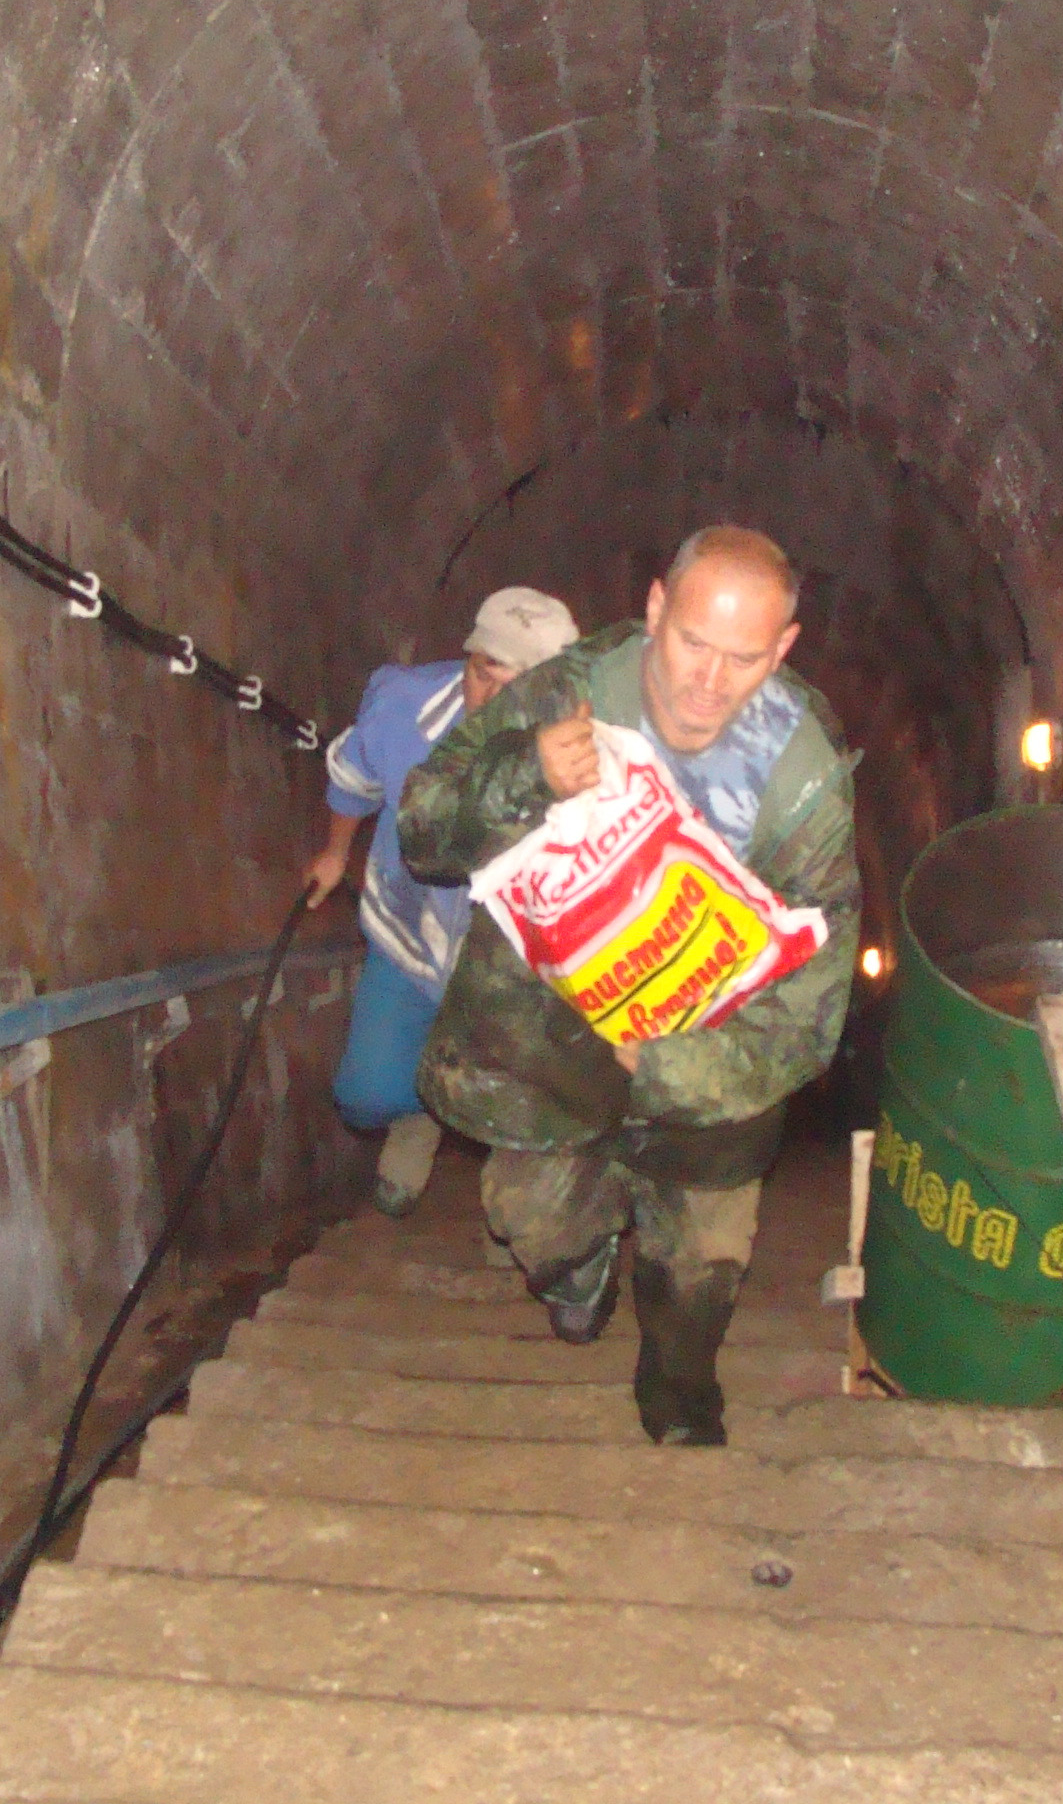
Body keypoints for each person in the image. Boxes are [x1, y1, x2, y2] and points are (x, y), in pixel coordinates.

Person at [397, 527, 860, 1446]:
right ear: (654, 609)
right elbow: (422, 829)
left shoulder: (802, 784)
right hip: (552, 1040)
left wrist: (668, 1065)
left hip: (709, 1065)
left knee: (702, 1261)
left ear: (783, 649)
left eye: (744, 658)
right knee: (528, 1216)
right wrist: (524, 775)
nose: (708, 682)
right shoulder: (568, 691)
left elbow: (814, 1008)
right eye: (692, 642)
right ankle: (582, 1268)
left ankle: (678, 1390)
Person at [311, 586, 581, 1215]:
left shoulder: (587, 750)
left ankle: (515, 1207)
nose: (491, 699)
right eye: (484, 673)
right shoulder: (402, 708)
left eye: (517, 686)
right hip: (409, 934)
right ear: (467, 655)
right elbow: (353, 778)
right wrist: (334, 854)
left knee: (520, 1101)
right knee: (364, 1097)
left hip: (512, 967)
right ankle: (424, 1111)